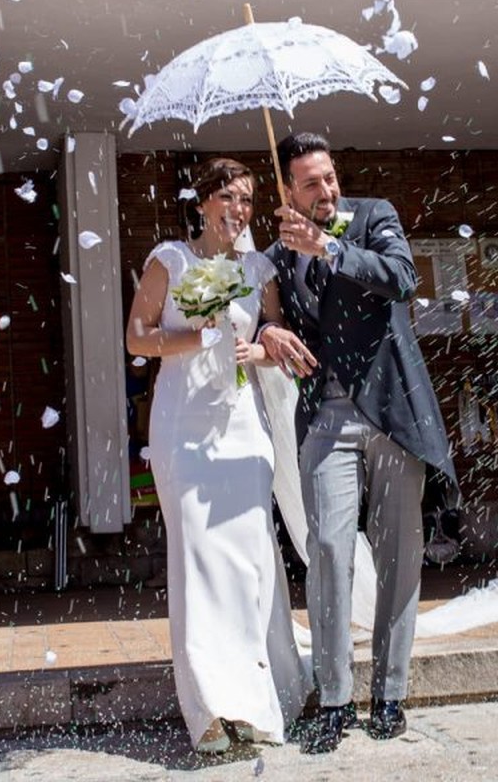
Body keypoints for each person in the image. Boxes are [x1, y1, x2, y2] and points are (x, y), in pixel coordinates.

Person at [258, 132, 460, 754]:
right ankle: (337, 699)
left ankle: (391, 694)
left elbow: (400, 278)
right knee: (326, 548)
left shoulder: (373, 218)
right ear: (288, 189)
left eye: (330, 177)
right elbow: (274, 320)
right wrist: (268, 326)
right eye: (312, 183)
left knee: (401, 556)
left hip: (393, 415)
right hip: (325, 419)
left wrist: (329, 246)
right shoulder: (275, 254)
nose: (327, 190)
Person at [125, 157, 311, 754]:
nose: (239, 210)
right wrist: (201, 334)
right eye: (228, 197)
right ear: (202, 202)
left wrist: (262, 346)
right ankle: (211, 710)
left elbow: (271, 332)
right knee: (200, 563)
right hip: (185, 428)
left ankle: (262, 696)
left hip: (242, 427)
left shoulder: (258, 267)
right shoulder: (170, 260)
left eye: (249, 201)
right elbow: (137, 336)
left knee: (253, 557)